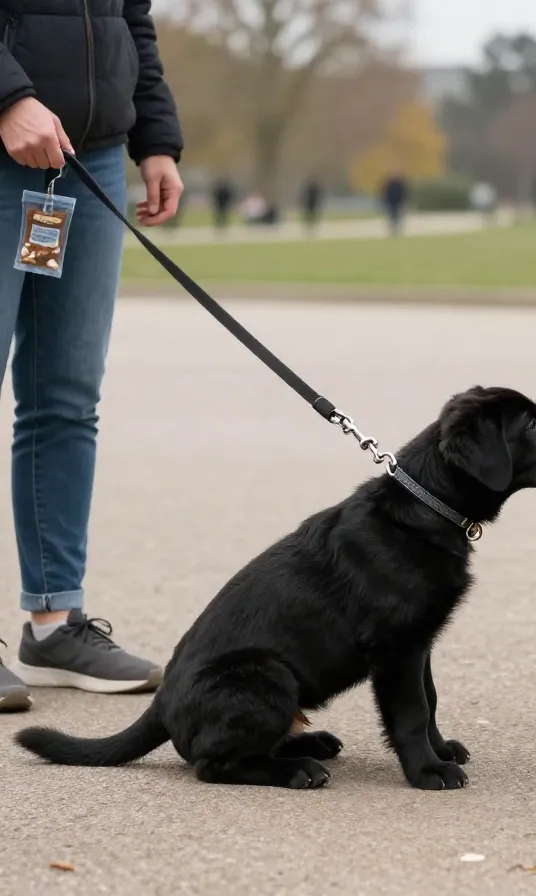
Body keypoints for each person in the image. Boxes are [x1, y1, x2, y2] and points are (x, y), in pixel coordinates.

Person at [0, 0, 183, 711]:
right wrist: (10, 98)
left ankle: (54, 623)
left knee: (67, 399)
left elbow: (131, 21)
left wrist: (156, 139)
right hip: (4, 149)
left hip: (91, 158)